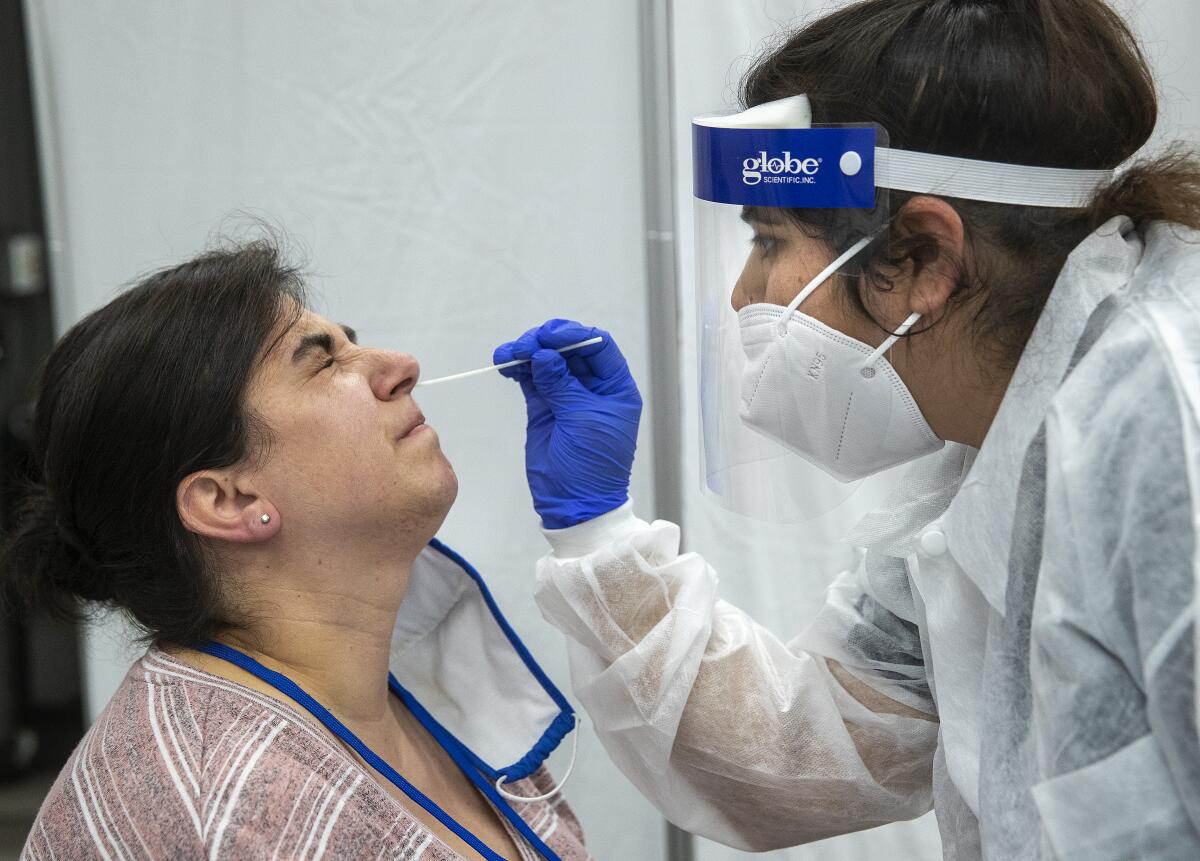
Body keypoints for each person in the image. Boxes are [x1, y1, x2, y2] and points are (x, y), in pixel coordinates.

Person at [493, 0, 1200, 858]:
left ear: (925, 259)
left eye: (769, 240)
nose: (744, 293)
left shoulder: (1165, 429)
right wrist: (598, 533)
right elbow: (808, 749)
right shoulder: (982, 456)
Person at [0, 240, 587, 861]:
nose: (403, 366)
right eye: (323, 362)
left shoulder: (404, 690)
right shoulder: (234, 808)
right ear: (226, 501)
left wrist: (601, 531)